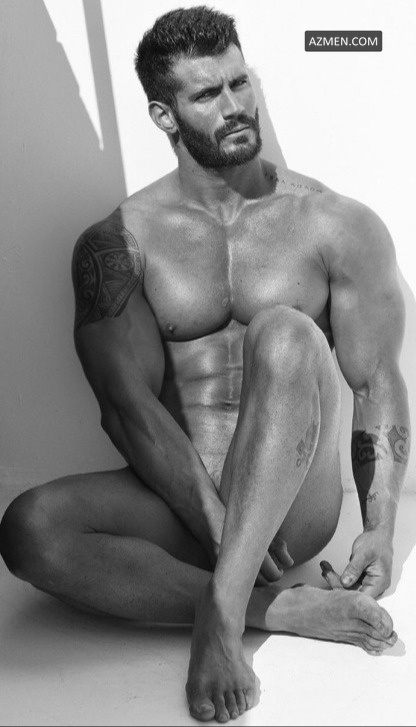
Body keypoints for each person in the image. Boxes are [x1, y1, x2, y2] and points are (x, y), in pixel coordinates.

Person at [0, 5, 410, 723]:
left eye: (240, 82)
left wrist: (379, 526)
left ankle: (219, 618)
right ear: (164, 114)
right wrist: (217, 528)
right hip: (179, 504)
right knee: (29, 527)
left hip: (294, 512)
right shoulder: (121, 242)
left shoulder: (335, 222)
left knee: (283, 333)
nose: (235, 106)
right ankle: (269, 607)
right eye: (207, 94)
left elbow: (376, 381)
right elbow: (126, 409)